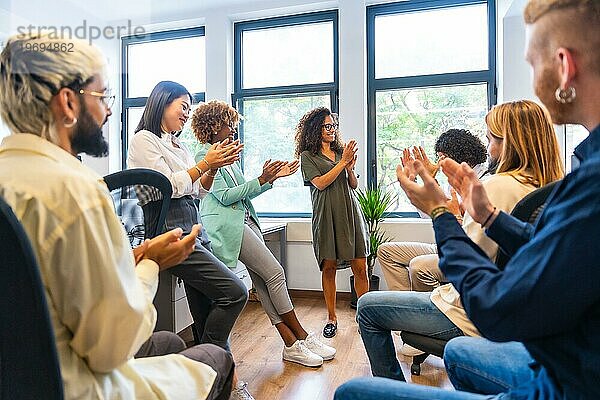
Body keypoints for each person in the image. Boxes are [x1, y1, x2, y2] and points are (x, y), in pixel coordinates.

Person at [336, 0, 600, 398]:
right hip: (563, 361)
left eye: (533, 64)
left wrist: (441, 211)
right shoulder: (580, 173)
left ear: (564, 66)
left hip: (559, 382)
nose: (532, 79)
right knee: (457, 351)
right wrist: (488, 216)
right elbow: (552, 253)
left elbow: (498, 310)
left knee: (352, 391)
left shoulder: (591, 185)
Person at [0, 33, 235, 400]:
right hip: (80, 386)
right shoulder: (76, 189)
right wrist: (151, 263)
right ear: (67, 102)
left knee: (171, 341)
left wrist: (135, 255)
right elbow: (113, 345)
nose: (110, 110)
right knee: (215, 357)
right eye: (104, 96)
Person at [356, 100, 564, 378]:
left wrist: (441, 211)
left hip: (468, 312)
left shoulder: (498, 184)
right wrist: (458, 212)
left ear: (509, 143)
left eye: (491, 139)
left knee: (367, 307)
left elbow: (461, 264)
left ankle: (388, 389)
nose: (488, 147)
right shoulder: (553, 187)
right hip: (513, 309)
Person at [126, 81, 254, 400]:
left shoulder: (180, 147)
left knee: (206, 309)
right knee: (235, 292)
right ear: (161, 103)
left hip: (195, 225)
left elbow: (199, 190)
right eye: (181, 106)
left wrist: (211, 167)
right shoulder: (144, 140)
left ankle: (215, 379)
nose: (186, 113)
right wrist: (204, 165)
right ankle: (211, 365)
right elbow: (164, 187)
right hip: (171, 232)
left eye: (188, 107)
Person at [191, 100, 336, 367]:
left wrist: (270, 179)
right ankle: (301, 335)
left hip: (246, 221)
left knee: (262, 281)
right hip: (229, 226)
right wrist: (261, 178)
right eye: (228, 123)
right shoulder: (205, 155)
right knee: (275, 273)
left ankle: (291, 344)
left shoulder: (228, 155)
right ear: (212, 126)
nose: (233, 128)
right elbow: (223, 196)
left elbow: (243, 191)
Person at [378, 129, 488, 292]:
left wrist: (455, 215)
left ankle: (426, 312)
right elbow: (432, 213)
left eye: (443, 157)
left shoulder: (484, 182)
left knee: (419, 266)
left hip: (467, 253)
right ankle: (406, 305)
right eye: (439, 158)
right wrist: (416, 183)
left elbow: (468, 233)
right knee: (386, 252)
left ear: (462, 155)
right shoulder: (456, 180)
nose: (440, 163)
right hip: (446, 246)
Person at [295, 107, 369, 338]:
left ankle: (366, 317)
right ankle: (331, 317)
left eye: (333, 126)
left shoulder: (340, 153)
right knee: (329, 267)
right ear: (315, 129)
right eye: (327, 126)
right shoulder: (308, 156)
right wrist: (342, 163)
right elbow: (320, 183)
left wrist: (349, 167)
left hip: (349, 212)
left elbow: (354, 185)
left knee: (360, 267)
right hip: (326, 215)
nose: (332, 130)